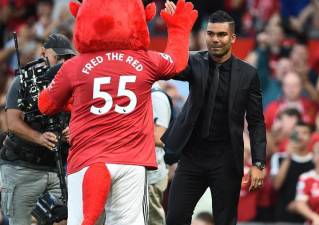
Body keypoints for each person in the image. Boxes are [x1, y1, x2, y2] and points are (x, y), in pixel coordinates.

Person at [37, 0, 198, 224]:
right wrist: (178, 29)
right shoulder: (145, 60)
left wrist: (62, 98)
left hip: (86, 159)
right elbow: (176, 62)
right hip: (130, 160)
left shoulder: (73, 66)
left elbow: (46, 105)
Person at [161, 7, 266, 225]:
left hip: (226, 159)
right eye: (210, 34)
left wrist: (258, 163)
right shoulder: (193, 61)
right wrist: (177, 30)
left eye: (221, 34)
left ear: (233, 38)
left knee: (225, 221)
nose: (215, 39)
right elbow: (170, 68)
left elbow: (256, 122)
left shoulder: (248, 74)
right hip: (192, 157)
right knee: (174, 219)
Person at [0, 33, 75, 225]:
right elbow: (13, 123)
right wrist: (39, 137)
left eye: (67, 58)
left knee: (69, 217)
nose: (62, 62)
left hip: (57, 166)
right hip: (22, 166)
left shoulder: (72, 84)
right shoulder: (23, 82)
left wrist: (72, 130)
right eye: (58, 57)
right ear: (43, 53)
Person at [270, 121, 314, 223]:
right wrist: (288, 157)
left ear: (311, 137)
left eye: (305, 133)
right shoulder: (278, 158)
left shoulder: (315, 159)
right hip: (284, 217)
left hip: (310, 216)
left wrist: (300, 206)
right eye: (296, 133)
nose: (300, 137)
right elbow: (276, 185)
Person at [147, 82, 172, 225]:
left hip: (152, 175)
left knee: (152, 222)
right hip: (136, 172)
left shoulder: (156, 96)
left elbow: (159, 138)